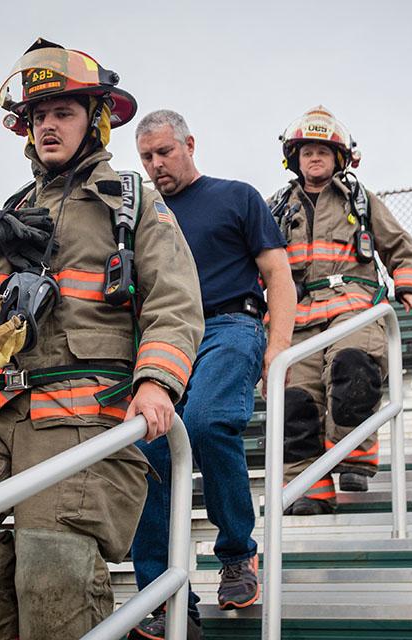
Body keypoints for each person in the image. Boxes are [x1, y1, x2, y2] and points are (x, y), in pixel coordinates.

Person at [0, 39, 204, 640]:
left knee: (53, 571)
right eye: (37, 116)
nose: (46, 126)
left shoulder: (134, 202)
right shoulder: (7, 215)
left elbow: (175, 301)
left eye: (62, 111)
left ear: (97, 119)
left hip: (82, 414)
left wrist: (156, 382)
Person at [130, 110, 297, 639]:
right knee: (147, 448)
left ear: (189, 145)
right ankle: (162, 594)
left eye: (164, 152)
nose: (156, 165)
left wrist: (278, 350)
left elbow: (278, 275)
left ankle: (236, 555)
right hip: (165, 339)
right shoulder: (140, 217)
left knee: (205, 422)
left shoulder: (236, 196)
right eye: (146, 158)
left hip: (232, 324)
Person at [269, 105, 412, 516]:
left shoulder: (362, 202)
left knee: (354, 370)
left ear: (340, 157)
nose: (314, 157)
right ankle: (309, 487)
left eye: (323, 150)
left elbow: (401, 250)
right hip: (297, 321)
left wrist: (409, 288)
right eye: (306, 151)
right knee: (295, 404)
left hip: (354, 309)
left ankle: (354, 456)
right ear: (294, 159)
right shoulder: (274, 209)